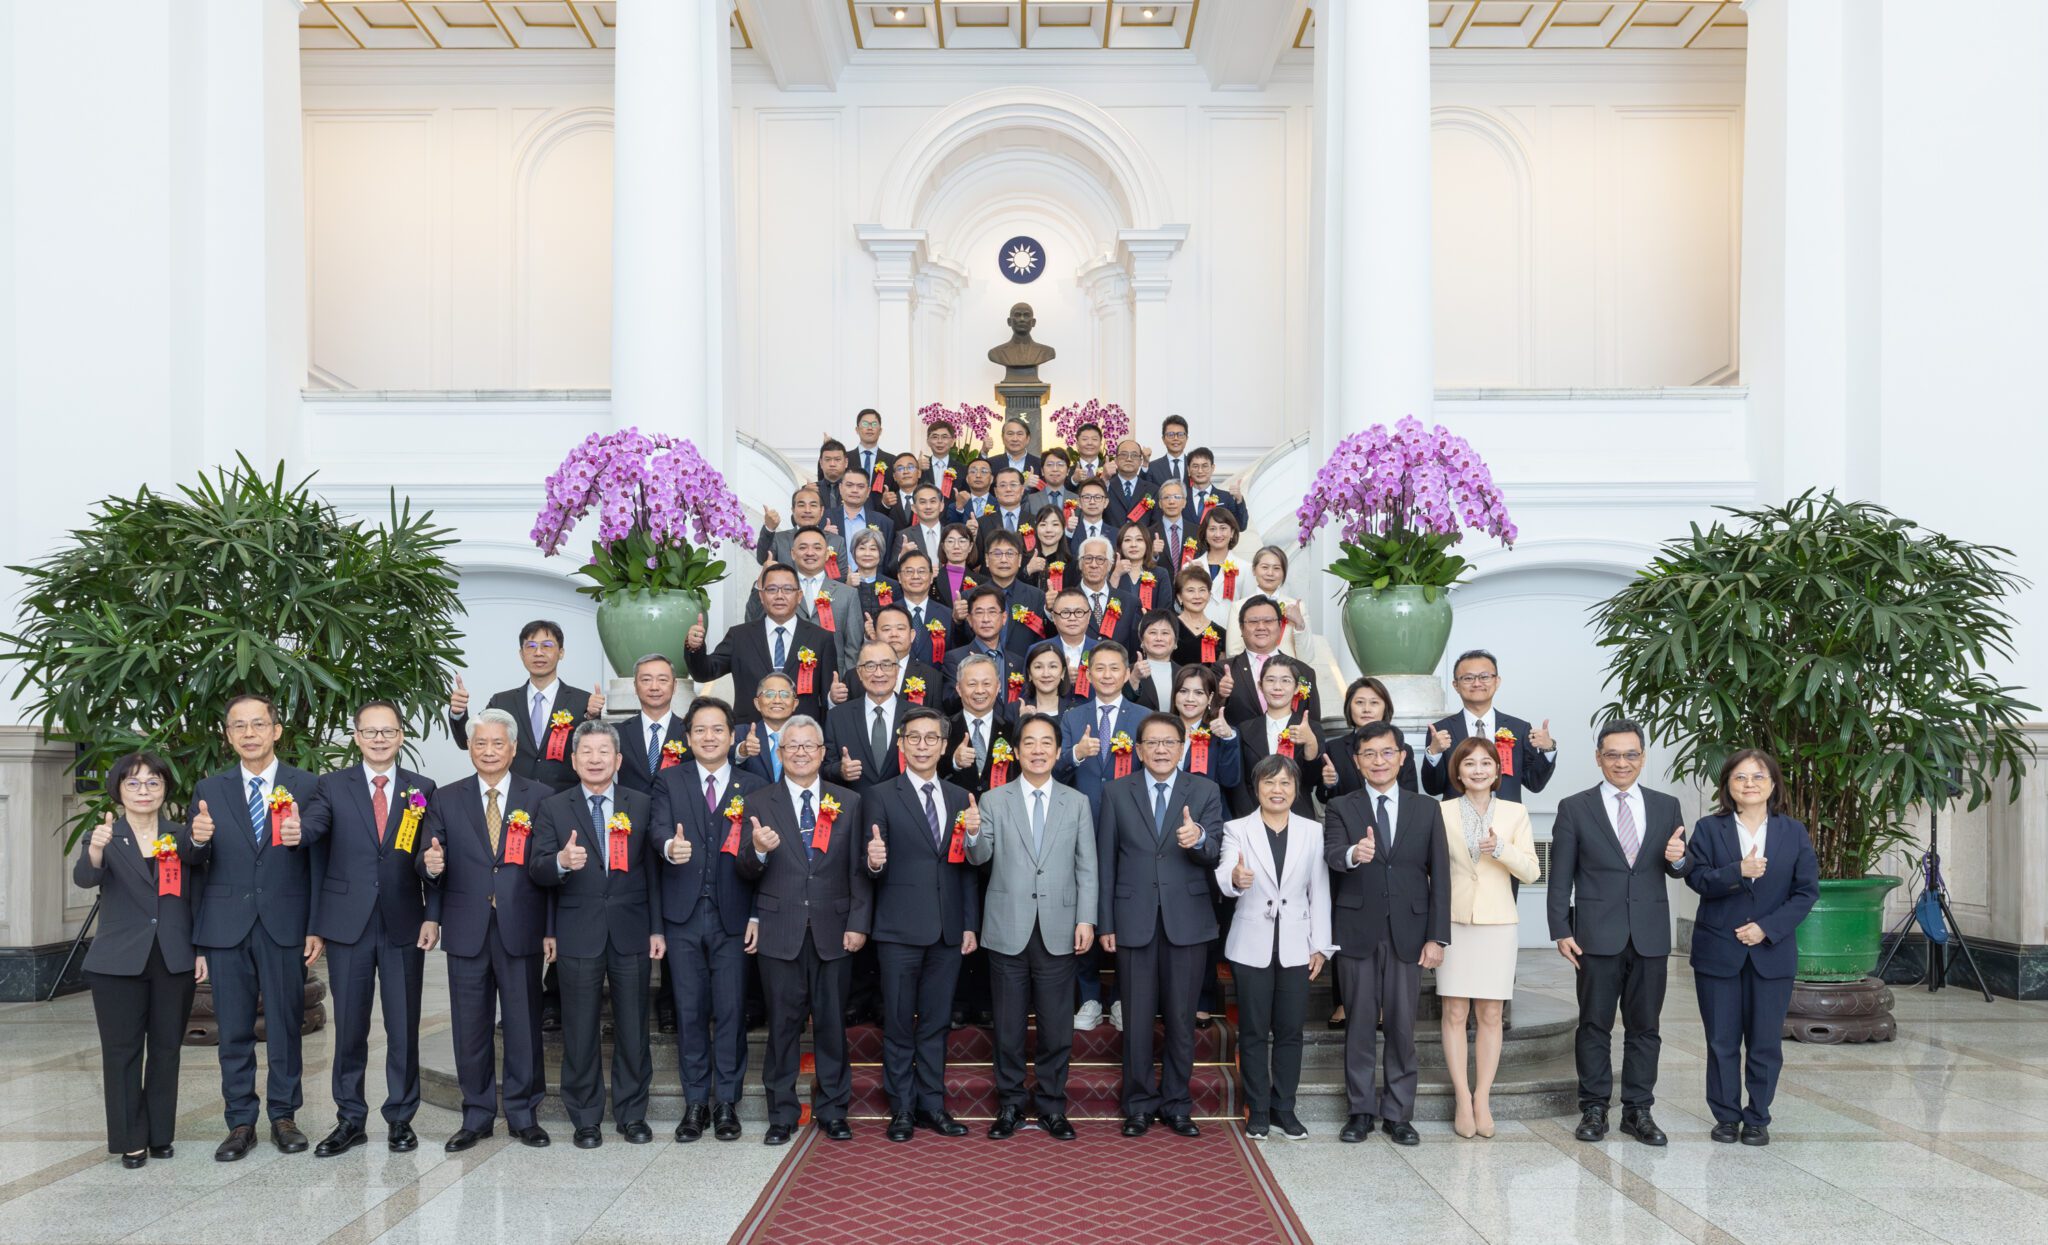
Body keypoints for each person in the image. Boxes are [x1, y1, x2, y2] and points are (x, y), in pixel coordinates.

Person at [186, 693, 322, 1161]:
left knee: (285, 1025)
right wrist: (195, 841)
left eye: (258, 724)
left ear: (276, 730)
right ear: (228, 735)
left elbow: (319, 861)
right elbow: (196, 863)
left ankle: (284, 1116)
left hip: (285, 924)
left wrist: (315, 926)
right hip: (226, 928)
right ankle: (240, 1121)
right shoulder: (209, 788)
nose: (249, 733)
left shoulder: (307, 786)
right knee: (233, 1029)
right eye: (238, 726)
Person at [301, 700, 439, 1157]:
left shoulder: (421, 788)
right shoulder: (331, 786)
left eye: (388, 731)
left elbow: (430, 855)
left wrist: (432, 913)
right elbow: (314, 834)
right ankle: (350, 1119)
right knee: (350, 1027)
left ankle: (401, 1118)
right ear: (356, 737)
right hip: (347, 925)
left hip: (403, 921)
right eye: (370, 732)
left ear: (401, 736)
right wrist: (295, 830)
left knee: (403, 1027)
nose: (380, 739)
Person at [418, 708, 553, 1152]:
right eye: (480, 743)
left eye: (498, 743)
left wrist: (551, 929)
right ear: (470, 748)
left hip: (522, 926)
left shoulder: (540, 797)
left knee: (522, 1024)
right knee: (470, 1027)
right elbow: (427, 858)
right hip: (466, 927)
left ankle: (523, 1113)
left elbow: (549, 870)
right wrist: (429, 865)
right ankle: (476, 1114)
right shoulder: (446, 798)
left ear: (513, 748)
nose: (489, 751)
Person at [1547, 719, 1688, 1147]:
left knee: (1645, 1027)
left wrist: (1679, 859)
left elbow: (1678, 867)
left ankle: (1638, 1111)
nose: (1621, 762)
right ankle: (1593, 1108)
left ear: (1642, 757)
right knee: (1594, 1025)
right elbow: (1560, 876)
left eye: (1630, 754)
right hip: (1595, 934)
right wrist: (1560, 929)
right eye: (1612, 754)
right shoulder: (1575, 807)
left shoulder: (1666, 806)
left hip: (1649, 935)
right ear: (1598, 758)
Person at [734, 715, 872, 1145]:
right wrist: (758, 851)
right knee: (782, 1027)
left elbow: (859, 870)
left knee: (831, 1026)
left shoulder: (848, 801)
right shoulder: (758, 801)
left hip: (834, 930)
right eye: (792, 746)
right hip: (780, 930)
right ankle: (781, 1114)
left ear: (822, 752)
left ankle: (834, 1110)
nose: (800, 752)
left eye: (809, 745)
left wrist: (858, 923)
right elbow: (743, 867)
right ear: (779, 753)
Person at [529, 721, 662, 1149]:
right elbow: (537, 869)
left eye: (604, 751)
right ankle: (585, 1118)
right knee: (580, 1030)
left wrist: (656, 928)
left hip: (631, 931)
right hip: (577, 931)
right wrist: (561, 862)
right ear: (573, 760)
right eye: (586, 751)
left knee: (633, 1029)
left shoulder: (641, 803)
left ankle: (632, 1114)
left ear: (618, 759)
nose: (595, 759)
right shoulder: (554, 806)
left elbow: (653, 873)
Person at [963, 715, 1096, 1141]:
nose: (1038, 750)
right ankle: (1010, 1105)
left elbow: (1087, 866)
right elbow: (979, 859)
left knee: (1057, 1027)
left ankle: (1052, 1106)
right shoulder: (993, 800)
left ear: (1058, 752)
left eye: (1046, 743)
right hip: (1008, 927)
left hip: (1060, 926)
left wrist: (1086, 918)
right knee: (1008, 1027)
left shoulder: (1076, 802)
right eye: (1030, 743)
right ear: (1017, 752)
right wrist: (972, 834)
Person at [1680, 749, 1819, 1146]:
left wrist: (1766, 929)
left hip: (1771, 953)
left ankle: (1757, 1117)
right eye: (1740, 777)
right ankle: (1726, 1117)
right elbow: (1697, 879)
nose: (1750, 784)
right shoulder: (1709, 828)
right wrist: (1737, 871)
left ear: (1773, 785)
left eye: (1758, 777)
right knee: (1721, 1041)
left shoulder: (1793, 832)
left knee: (1765, 1042)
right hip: (1718, 951)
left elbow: (1806, 892)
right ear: (1728, 785)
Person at [1097, 713, 1224, 1137]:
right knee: (1135, 1019)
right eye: (1152, 743)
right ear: (1138, 749)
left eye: (1169, 742)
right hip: (1133, 920)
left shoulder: (1204, 790)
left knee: (1181, 1018)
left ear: (1182, 747)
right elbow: (1106, 862)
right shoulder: (1116, 792)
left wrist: (1199, 839)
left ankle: (1176, 1103)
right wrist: (1106, 922)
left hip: (1186, 921)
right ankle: (1137, 1104)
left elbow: (1215, 852)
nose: (1161, 750)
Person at [1323, 722, 1448, 1146]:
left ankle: (1398, 1114)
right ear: (1357, 762)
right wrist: (1353, 853)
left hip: (1409, 932)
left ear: (1402, 757)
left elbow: (1441, 875)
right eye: (1369, 754)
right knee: (1358, 1025)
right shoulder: (1342, 806)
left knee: (1401, 1027)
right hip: (1357, 928)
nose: (1379, 761)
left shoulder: (1426, 808)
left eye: (1387, 752)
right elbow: (1331, 855)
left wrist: (1437, 937)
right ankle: (1360, 1111)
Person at [75, 752, 200, 1168]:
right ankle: (130, 1138)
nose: (143, 791)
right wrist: (96, 850)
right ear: (118, 790)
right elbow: (85, 878)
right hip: (117, 962)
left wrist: (200, 951)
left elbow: (198, 896)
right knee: (122, 1052)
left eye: (152, 782)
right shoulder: (105, 835)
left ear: (165, 789)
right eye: (133, 783)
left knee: (166, 1050)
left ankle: (160, 1133)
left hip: (173, 956)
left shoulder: (182, 836)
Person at [650, 696, 766, 1143]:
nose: (709, 737)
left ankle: (726, 1104)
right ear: (688, 737)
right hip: (682, 917)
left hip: (733, 917)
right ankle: (695, 1102)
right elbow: (657, 830)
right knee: (690, 1010)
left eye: (718, 729)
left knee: (732, 1011)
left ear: (732, 736)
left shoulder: (753, 785)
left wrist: (756, 914)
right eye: (700, 729)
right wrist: (669, 847)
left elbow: (762, 856)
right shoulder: (669, 781)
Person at [864, 707, 981, 1141]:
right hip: (898, 929)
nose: (922, 745)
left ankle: (932, 1105)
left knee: (935, 1023)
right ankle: (901, 1108)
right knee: (898, 1023)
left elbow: (965, 868)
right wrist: (873, 862)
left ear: (944, 745)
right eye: (913, 737)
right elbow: (869, 859)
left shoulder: (959, 797)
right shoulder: (880, 795)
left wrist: (968, 923)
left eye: (932, 738)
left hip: (947, 930)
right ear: (901, 744)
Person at [1216, 756, 1332, 1140]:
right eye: (1269, 782)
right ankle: (1259, 1109)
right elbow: (1225, 870)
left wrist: (1321, 946)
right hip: (1251, 944)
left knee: (1290, 1030)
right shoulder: (1237, 829)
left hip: (1298, 944)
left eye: (1285, 783)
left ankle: (1285, 1108)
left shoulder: (1312, 831)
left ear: (1296, 789)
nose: (1277, 790)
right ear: (1257, 788)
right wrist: (1235, 878)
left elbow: (1320, 891)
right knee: (1252, 1031)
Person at [1435, 738, 1540, 1139]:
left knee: (1491, 1014)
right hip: (1454, 921)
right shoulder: (1441, 811)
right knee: (1454, 1012)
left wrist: (1502, 849)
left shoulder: (1516, 812)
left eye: (1485, 763)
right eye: (1469, 764)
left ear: (1498, 770)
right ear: (1458, 772)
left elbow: (1531, 871)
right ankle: (1462, 1098)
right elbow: (1431, 869)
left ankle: (1483, 1097)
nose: (1478, 770)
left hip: (1498, 923)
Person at [449, 619, 605, 792]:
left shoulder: (582, 701)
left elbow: (597, 751)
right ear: (521, 654)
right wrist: (458, 712)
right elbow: (468, 741)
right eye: (531, 646)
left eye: (547, 646)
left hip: (564, 799)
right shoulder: (502, 702)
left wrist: (593, 717)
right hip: (515, 799)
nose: (538, 652)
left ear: (561, 652)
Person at [687, 562, 843, 725]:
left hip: (801, 732)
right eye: (772, 589)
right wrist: (695, 648)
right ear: (761, 596)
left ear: (799, 596)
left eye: (788, 589)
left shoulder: (820, 638)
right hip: (751, 731)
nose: (779, 596)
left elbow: (828, 695)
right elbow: (704, 672)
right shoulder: (739, 636)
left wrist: (833, 698)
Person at [1421, 649, 1558, 801]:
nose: (1477, 683)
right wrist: (1434, 753)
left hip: (1506, 814)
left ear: (1497, 681)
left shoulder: (1519, 729)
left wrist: (1548, 749)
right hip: (1457, 814)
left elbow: (1535, 783)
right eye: (1468, 678)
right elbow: (1432, 788)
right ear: (1456, 685)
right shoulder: (1440, 730)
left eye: (1484, 677)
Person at [1230, 659, 1321, 818]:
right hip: (1252, 817)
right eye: (1270, 680)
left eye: (1285, 681)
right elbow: (1239, 783)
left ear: (1297, 688)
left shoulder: (1311, 728)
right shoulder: (1244, 729)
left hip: (1298, 817)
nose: (1277, 687)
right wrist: (1248, 819)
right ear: (1260, 686)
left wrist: (1310, 743)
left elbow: (1312, 780)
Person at [825, 639, 909, 796]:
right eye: (870, 666)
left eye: (886, 665)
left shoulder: (916, 716)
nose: (879, 673)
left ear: (897, 670)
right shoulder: (837, 717)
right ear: (859, 672)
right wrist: (840, 770)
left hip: (903, 805)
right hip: (856, 805)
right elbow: (825, 767)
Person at [1223, 596, 1320, 724]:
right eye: (1253, 621)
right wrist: (1220, 696)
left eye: (1268, 621)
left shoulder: (1304, 672)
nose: (1261, 627)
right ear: (1241, 628)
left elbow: (1315, 727)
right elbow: (1210, 715)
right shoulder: (1224, 671)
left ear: (1280, 626)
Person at [1321, 677, 1419, 801]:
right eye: (1359, 702)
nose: (1366, 709)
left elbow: (1411, 797)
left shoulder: (1403, 749)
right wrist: (1330, 783)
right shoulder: (1334, 748)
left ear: (1385, 707)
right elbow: (1323, 797)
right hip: (1349, 813)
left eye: (1374, 703)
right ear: (1349, 707)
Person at [939, 654, 1015, 799]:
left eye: (986, 683)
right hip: (956, 808)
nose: (980, 690)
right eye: (972, 684)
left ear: (998, 687)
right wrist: (954, 761)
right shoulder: (943, 729)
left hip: (1000, 808)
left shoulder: (1012, 730)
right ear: (959, 688)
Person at [617, 654, 689, 798]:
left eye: (662, 680)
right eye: (646, 680)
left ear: (674, 686)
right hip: (629, 811)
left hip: (676, 810)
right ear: (635, 686)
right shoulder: (618, 732)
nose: (654, 687)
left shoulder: (689, 732)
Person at [1230, 546, 1312, 662]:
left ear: (1284, 573)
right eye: (1264, 567)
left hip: (1288, 672)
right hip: (1252, 672)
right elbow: (1233, 654)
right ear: (1254, 570)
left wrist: (1299, 624)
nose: (1270, 573)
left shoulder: (1297, 607)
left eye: (1277, 568)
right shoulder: (1238, 607)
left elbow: (1307, 658)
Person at [756, 485, 849, 571]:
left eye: (813, 505)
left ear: (821, 511)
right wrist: (769, 528)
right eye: (801, 505)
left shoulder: (836, 541)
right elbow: (762, 559)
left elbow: (841, 578)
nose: (807, 510)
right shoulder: (778, 539)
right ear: (793, 510)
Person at [734, 672, 799, 784]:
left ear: (795, 704)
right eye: (769, 694)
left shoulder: (808, 737)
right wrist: (742, 752)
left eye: (785, 695)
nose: (777, 700)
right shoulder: (739, 734)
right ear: (757, 703)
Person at [1171, 566, 1227, 665]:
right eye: (1190, 590)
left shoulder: (1220, 632)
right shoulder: (1170, 627)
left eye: (1202, 590)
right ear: (1179, 597)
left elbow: (1221, 668)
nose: (1197, 596)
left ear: (1209, 595)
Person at [1127, 611, 1179, 710]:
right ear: (1142, 640)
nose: (1159, 638)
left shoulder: (1184, 674)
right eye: (1153, 633)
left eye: (1165, 633)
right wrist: (1134, 679)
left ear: (1175, 642)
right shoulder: (1128, 672)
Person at [1018, 642, 1074, 722]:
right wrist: (1023, 720)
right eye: (1038, 667)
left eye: (1053, 666)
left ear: (1063, 672)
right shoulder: (1015, 710)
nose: (1046, 674)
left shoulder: (1077, 711)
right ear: (1029, 673)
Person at [847, 407, 892, 483]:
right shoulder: (845, 459)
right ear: (857, 430)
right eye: (865, 424)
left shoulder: (891, 461)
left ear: (880, 431)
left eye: (874, 424)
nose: (870, 428)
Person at [1146, 414, 1191, 487]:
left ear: (1186, 438)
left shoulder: (1194, 465)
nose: (1176, 438)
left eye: (1180, 434)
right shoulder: (1153, 467)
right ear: (1163, 439)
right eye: (1170, 434)